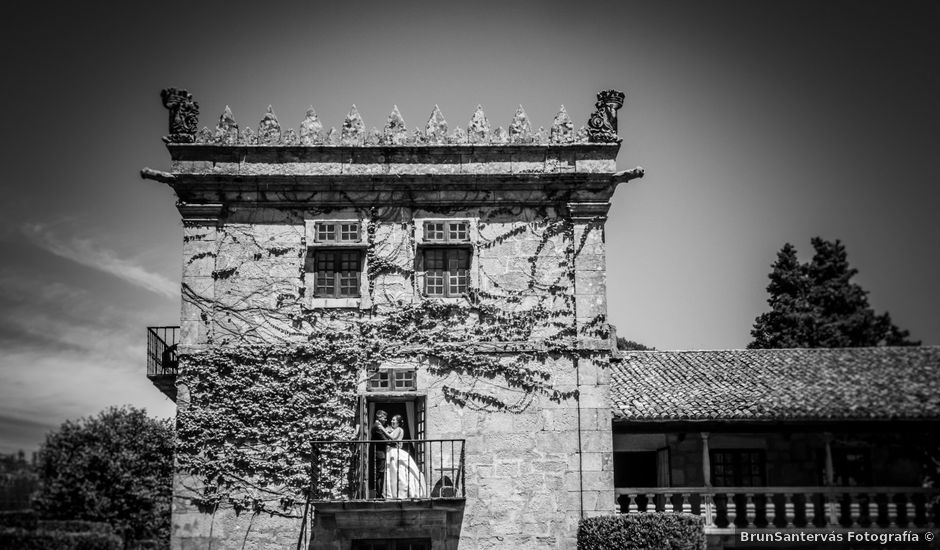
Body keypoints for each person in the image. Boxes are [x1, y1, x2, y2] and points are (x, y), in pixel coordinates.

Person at [382, 415, 428, 499]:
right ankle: (394, 491)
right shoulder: (395, 430)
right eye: (392, 420)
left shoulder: (399, 429)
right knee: (393, 472)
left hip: (394, 451)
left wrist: (382, 430)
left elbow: (392, 438)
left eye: (394, 420)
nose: (392, 421)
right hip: (391, 451)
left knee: (397, 471)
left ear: (398, 422)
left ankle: (401, 492)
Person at [371, 410, 392, 498]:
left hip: (381, 453)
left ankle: (379, 493)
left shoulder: (378, 426)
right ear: (379, 417)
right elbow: (384, 440)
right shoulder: (377, 427)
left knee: (380, 473)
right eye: (384, 418)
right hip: (380, 453)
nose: (385, 420)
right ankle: (379, 494)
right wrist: (391, 440)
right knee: (380, 474)